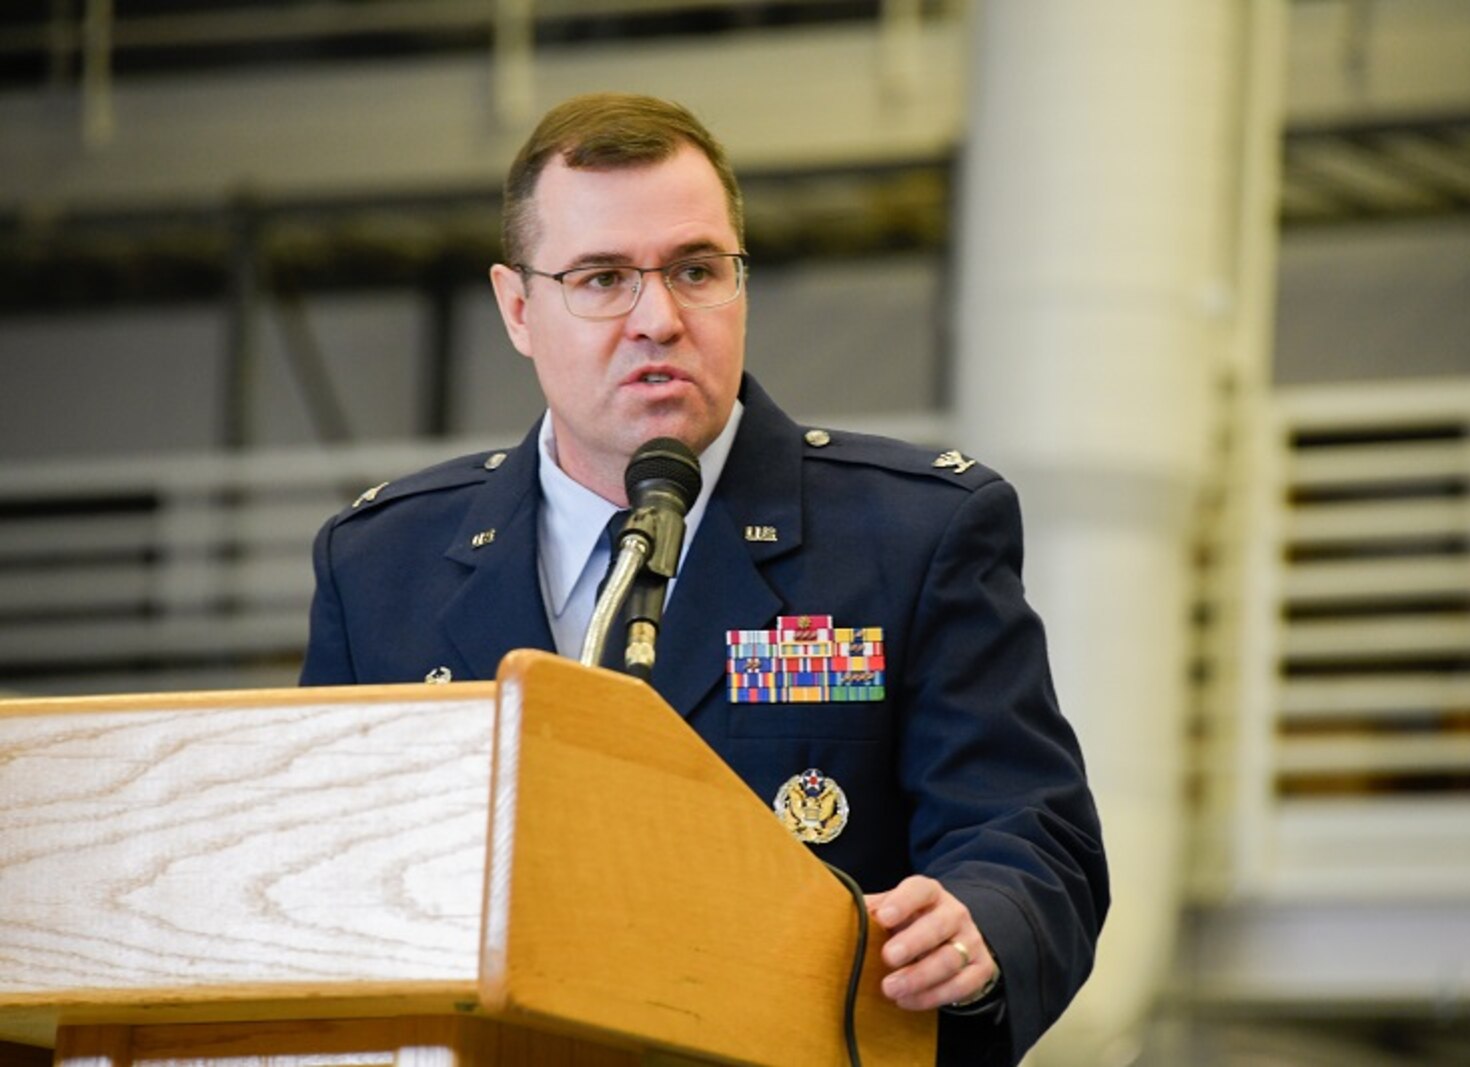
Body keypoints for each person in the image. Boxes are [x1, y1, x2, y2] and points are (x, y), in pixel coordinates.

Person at [301, 92, 1108, 1065]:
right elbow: (326, 878)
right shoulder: (382, 566)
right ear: (519, 308)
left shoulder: (914, 534)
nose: (660, 319)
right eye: (602, 277)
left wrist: (984, 919)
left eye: (696, 269)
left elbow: (1030, 836)